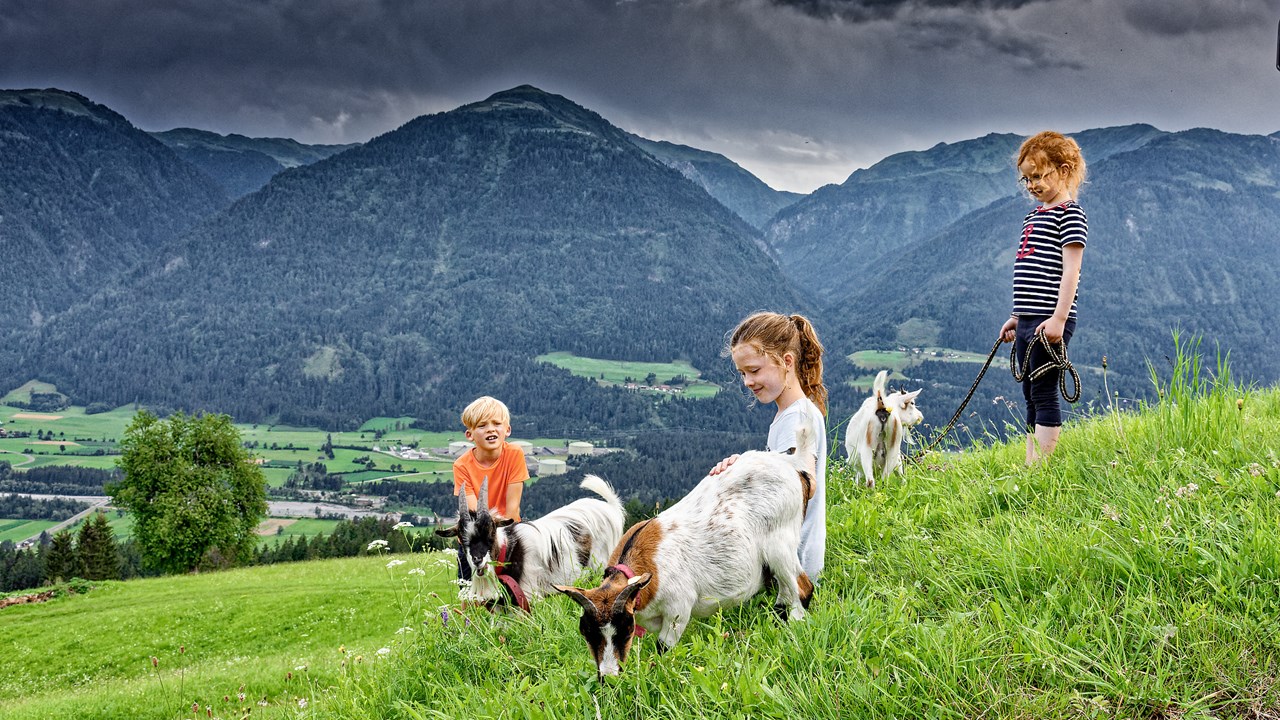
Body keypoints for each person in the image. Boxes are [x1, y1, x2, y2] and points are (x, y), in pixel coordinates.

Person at [709, 311, 828, 581]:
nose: (747, 381)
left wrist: (748, 467)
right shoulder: (793, 413)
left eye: (754, 370)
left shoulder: (797, 418)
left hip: (792, 565)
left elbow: (804, 484)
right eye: (742, 373)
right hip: (792, 558)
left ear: (786, 361)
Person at [998, 131, 1088, 464]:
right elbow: (1032, 272)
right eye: (1027, 179)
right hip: (1029, 319)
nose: (1032, 184)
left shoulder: (1070, 215)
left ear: (1064, 170)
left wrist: (1059, 319)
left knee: (1044, 390)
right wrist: (1017, 316)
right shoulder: (1033, 216)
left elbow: (1070, 273)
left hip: (1050, 320)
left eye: (1039, 175)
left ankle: (1042, 467)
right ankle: (1031, 461)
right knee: (1029, 392)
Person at [453, 396, 528, 522]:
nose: (491, 429)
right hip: (479, 534)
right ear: (469, 435)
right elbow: (475, 516)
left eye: (497, 424)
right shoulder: (461, 466)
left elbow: (513, 510)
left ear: (507, 430)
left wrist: (505, 538)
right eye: (482, 426)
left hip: (508, 528)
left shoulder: (514, 454)